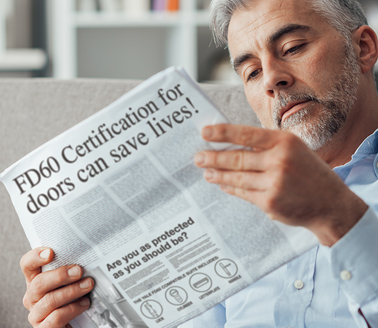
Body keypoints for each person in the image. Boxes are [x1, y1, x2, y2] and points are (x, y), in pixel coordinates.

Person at [19, 0, 378, 327]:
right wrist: (76, 316)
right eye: (251, 72)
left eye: (292, 48)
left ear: (363, 48)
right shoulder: (227, 197)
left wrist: (339, 215)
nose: (271, 79)